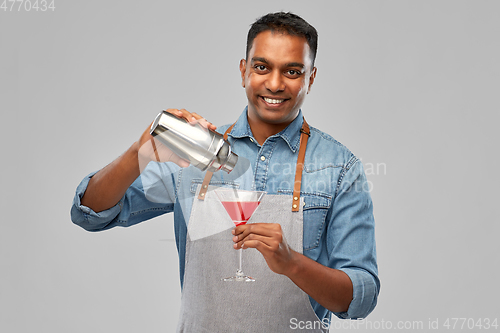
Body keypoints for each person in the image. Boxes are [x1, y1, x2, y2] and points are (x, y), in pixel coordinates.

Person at [71, 12, 379, 332]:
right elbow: (91, 213)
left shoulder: (341, 168)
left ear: (310, 78)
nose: (274, 83)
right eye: (262, 67)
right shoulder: (192, 154)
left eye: (291, 71)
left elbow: (361, 297)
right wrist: (138, 154)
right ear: (244, 71)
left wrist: (292, 263)